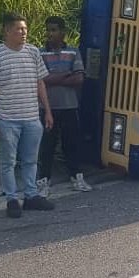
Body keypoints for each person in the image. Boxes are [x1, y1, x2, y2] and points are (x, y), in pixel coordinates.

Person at [0, 12, 56, 218]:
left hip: (32, 117)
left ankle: (31, 195)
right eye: (19, 29)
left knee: (31, 160)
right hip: (8, 119)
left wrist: (47, 111)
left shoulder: (33, 52)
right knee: (8, 162)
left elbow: (40, 83)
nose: (24, 33)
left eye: (25, 29)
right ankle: (12, 199)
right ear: (7, 31)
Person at [37, 16, 92, 196]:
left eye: (53, 30)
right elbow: (41, 80)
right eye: (48, 30)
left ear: (62, 33)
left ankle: (76, 177)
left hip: (69, 106)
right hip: (47, 109)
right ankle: (43, 181)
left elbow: (79, 79)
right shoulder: (40, 53)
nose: (50, 34)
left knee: (71, 144)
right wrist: (65, 75)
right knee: (47, 146)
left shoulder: (73, 52)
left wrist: (53, 78)